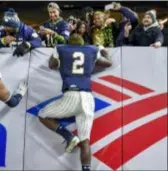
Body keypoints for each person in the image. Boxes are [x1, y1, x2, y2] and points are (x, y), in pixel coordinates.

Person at [38, 34, 112, 171]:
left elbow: (51, 64)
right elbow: (108, 63)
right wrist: (102, 49)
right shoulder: (91, 49)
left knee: (43, 114)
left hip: (71, 95)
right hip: (88, 97)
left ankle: (69, 136)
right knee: (85, 141)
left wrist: (55, 53)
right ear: (83, 42)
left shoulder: (62, 49)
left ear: (68, 43)